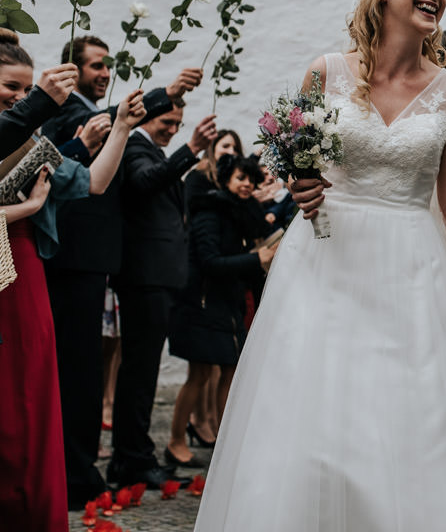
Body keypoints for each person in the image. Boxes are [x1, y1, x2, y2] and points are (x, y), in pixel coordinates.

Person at [190, 0, 446, 532]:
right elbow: (298, 159)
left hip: (415, 264)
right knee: (315, 417)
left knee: (417, 413)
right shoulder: (326, 72)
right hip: (327, 262)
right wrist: (302, 182)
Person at [40, 35, 203, 507]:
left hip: (95, 261)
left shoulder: (86, 112)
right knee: (79, 371)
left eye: (108, 66)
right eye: (96, 66)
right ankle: (75, 470)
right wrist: (165, 94)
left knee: (86, 368)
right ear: (71, 70)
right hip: (77, 257)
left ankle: (81, 464)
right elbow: (106, 123)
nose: (105, 73)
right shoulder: (68, 110)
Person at [0, 27, 145, 532]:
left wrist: (123, 129)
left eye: (23, 90)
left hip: (24, 274)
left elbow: (91, 182)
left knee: (29, 399)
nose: (17, 98)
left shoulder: (33, 145)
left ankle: (27, 516)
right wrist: (22, 209)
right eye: (9, 88)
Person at [108, 95, 217, 490]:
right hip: (144, 277)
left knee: (144, 370)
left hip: (160, 277)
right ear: (147, 118)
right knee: (139, 371)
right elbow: (142, 184)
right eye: (166, 122)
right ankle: (131, 461)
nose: (172, 129)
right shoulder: (135, 146)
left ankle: (133, 456)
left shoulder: (150, 149)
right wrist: (190, 150)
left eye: (178, 124)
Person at [166, 154, 275, 468]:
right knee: (198, 375)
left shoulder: (245, 211)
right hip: (201, 304)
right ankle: (174, 442)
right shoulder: (210, 211)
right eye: (240, 178)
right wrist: (258, 259)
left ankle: (227, 440)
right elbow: (210, 262)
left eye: (250, 180)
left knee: (230, 371)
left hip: (228, 305)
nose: (246, 185)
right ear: (227, 179)